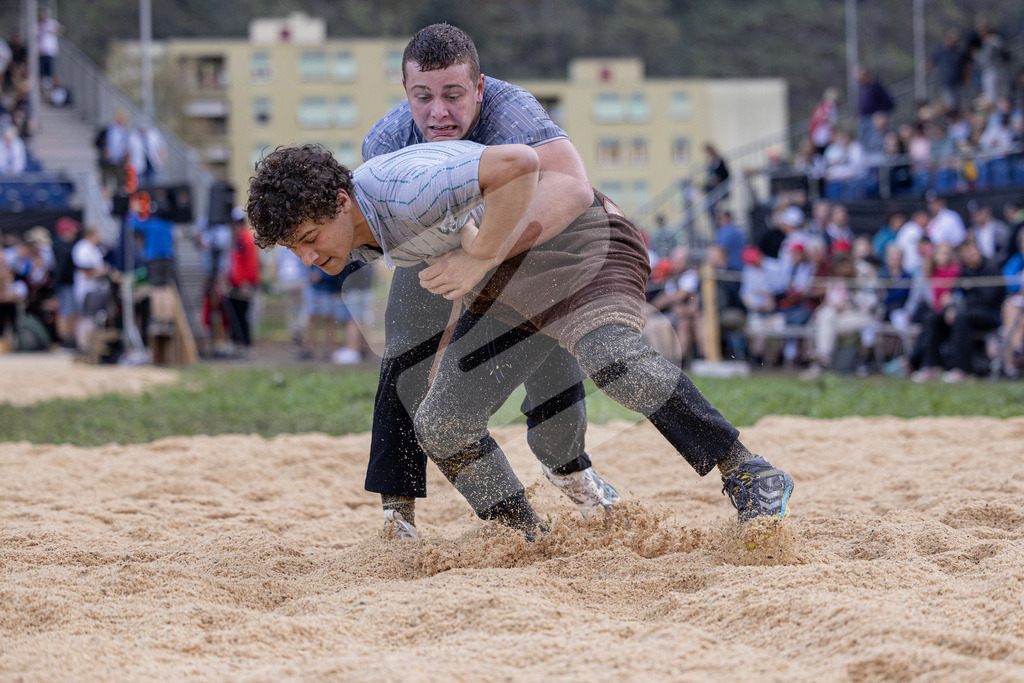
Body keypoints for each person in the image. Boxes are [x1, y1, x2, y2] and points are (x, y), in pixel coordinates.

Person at [246, 141, 795, 537]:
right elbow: (408, 343)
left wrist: (478, 253)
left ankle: (748, 472)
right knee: (441, 421)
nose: (309, 260)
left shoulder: (406, 188)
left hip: (581, 242)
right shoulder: (358, 227)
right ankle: (526, 534)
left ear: (342, 201)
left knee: (611, 359)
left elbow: (522, 162)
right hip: (511, 281)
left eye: (310, 240)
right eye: (294, 250)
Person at [359, 24, 619, 538]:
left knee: (548, 329)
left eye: (453, 95)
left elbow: (573, 189)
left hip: (527, 233)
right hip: (441, 241)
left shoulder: (512, 110)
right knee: (405, 347)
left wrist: (487, 256)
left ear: (479, 88)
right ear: (406, 93)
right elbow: (394, 232)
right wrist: (460, 268)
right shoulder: (386, 142)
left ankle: (569, 466)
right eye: (423, 96)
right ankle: (397, 509)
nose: (439, 112)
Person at [913, 239, 1004, 383]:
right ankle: (931, 366)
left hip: (989, 315)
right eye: (967, 252)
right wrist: (952, 308)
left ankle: (963, 369)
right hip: (964, 312)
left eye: (973, 250)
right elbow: (953, 294)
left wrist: (959, 307)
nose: (971, 254)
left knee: (961, 318)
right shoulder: (964, 271)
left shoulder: (991, 268)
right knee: (933, 318)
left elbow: (987, 299)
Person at [223, 207, 261, 355]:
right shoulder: (237, 238)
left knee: (242, 314)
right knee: (235, 313)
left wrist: (247, 281)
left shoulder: (246, 239)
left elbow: (251, 263)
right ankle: (236, 341)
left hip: (244, 283)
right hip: (235, 282)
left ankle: (244, 343)